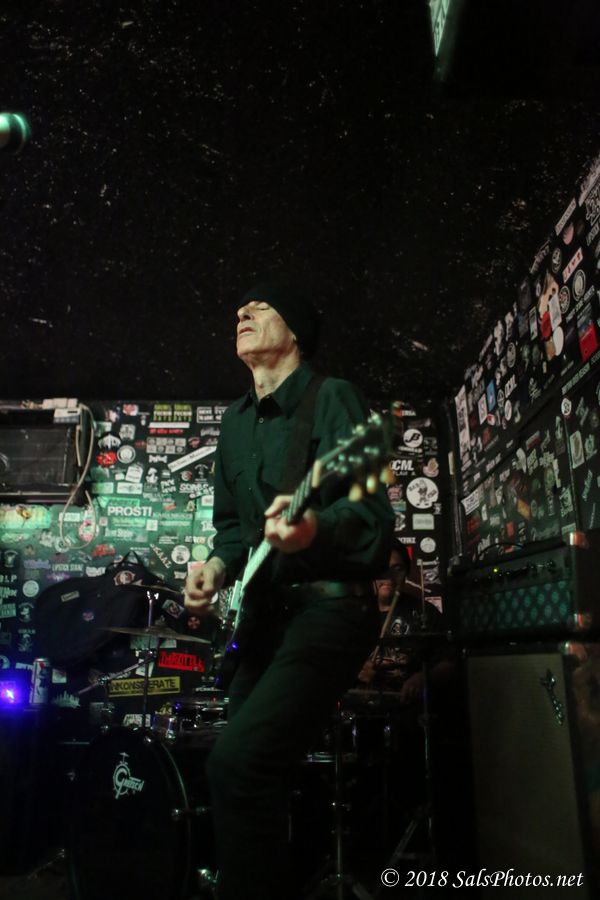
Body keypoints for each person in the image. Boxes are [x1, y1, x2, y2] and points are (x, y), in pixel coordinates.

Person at [184, 279, 394, 900]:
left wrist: (311, 531)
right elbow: (231, 530)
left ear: (295, 331)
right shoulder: (234, 423)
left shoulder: (333, 399)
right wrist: (215, 568)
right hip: (265, 619)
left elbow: (372, 521)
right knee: (247, 775)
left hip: (329, 609)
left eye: (261, 307)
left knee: (238, 761)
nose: (242, 311)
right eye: (240, 307)